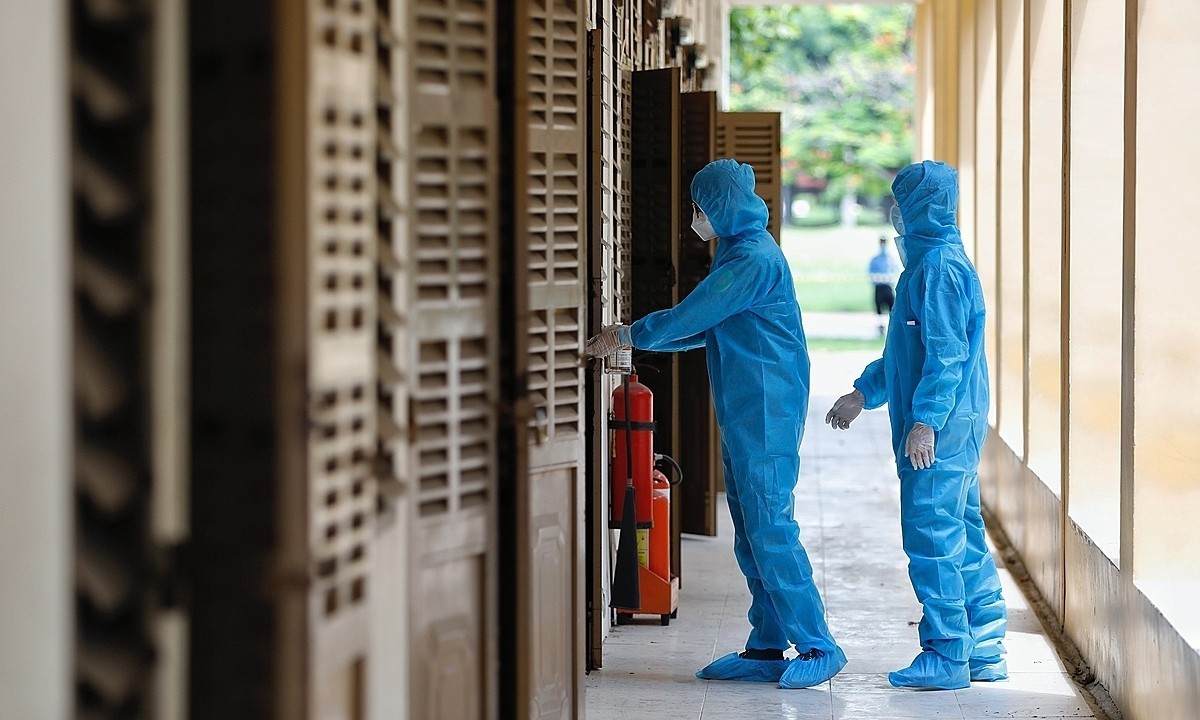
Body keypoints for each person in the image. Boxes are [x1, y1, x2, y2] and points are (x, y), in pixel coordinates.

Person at [585, 159, 845, 689]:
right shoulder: (737, 251)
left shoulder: (752, 258)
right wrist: (637, 338)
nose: (696, 218)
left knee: (771, 528)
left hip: (768, 408)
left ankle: (819, 644)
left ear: (721, 206)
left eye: (700, 208)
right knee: (752, 533)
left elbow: (692, 315)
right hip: (749, 408)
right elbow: (708, 328)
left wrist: (631, 333)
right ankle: (767, 646)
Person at [825, 161, 1008, 690]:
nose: (896, 214)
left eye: (901, 203)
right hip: (953, 424)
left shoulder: (940, 270)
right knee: (963, 533)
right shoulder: (924, 267)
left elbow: (946, 357)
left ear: (922, 207)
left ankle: (949, 652)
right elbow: (905, 355)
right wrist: (864, 392)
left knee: (932, 533)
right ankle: (985, 648)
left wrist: (925, 421)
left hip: (944, 429)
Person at [869, 235, 899, 335]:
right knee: (879, 310)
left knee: (892, 308)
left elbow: (895, 271)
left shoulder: (890, 259)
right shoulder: (875, 259)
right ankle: (880, 327)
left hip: (888, 286)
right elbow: (871, 273)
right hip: (879, 287)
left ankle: (893, 327)